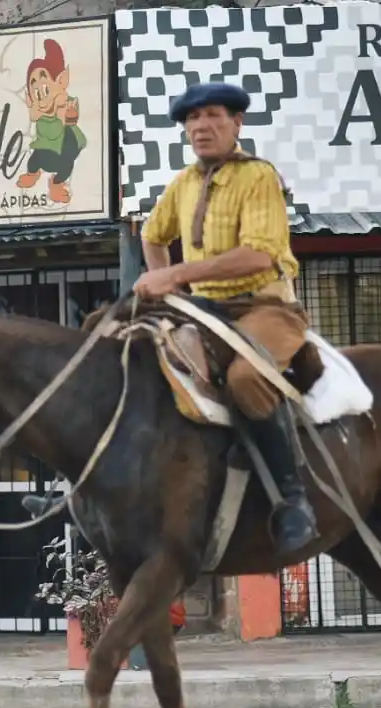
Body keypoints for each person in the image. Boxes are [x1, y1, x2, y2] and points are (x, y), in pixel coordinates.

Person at [132, 80, 318, 556]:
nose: (201, 126)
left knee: (243, 378)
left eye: (213, 115)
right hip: (204, 310)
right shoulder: (183, 183)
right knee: (127, 353)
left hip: (265, 307)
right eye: (192, 119)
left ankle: (293, 500)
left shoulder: (259, 177)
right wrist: (168, 290)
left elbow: (258, 256)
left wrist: (175, 275)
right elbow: (153, 234)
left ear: (237, 122)